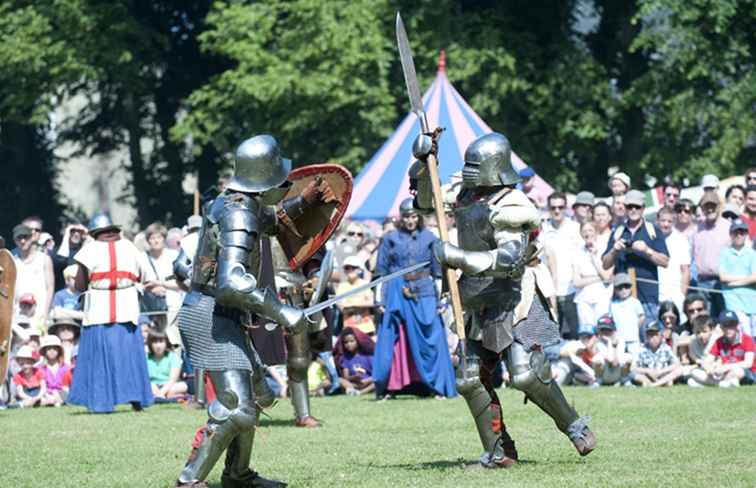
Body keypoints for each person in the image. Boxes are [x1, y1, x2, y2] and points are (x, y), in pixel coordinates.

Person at [413, 132, 594, 467]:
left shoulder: (512, 205)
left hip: (514, 296)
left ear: (492, 167)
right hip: (475, 297)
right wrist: (423, 164)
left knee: (525, 375)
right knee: (468, 379)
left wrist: (458, 256)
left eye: (474, 166)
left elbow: (511, 260)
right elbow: (427, 203)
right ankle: (499, 451)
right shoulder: (465, 193)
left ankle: (573, 424)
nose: (467, 171)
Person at [174, 134, 334, 488]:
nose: (285, 184)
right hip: (210, 315)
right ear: (265, 179)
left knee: (259, 396)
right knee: (237, 407)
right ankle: (189, 479)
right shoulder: (237, 211)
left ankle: (238, 475)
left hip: (222, 315)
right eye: (281, 180)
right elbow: (231, 280)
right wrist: (283, 312)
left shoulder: (232, 203)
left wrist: (303, 202)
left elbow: (270, 220)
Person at [67, 213, 154, 414]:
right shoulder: (131, 247)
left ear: (95, 232)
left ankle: (101, 401)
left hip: (98, 307)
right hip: (127, 305)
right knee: (129, 355)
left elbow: (80, 285)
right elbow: (144, 276)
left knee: (100, 356)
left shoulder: (88, 250)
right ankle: (136, 398)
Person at [373, 198, 456, 400]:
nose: (410, 221)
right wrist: (379, 300)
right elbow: (381, 272)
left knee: (432, 338)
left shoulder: (430, 238)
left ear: (418, 216)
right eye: (406, 217)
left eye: (413, 216)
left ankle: (437, 386)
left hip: (425, 290)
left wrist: (442, 299)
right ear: (400, 218)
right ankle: (392, 387)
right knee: (397, 339)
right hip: (396, 292)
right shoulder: (390, 238)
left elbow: (438, 272)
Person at [602, 189, 670, 319]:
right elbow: (605, 264)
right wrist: (614, 250)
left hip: (647, 296)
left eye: (637, 207)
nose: (633, 210)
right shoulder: (617, 231)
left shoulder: (653, 230)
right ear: (625, 208)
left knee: (649, 336)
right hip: (621, 297)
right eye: (629, 206)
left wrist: (647, 250)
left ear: (643, 208)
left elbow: (665, 262)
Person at [540, 192, 581, 339]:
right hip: (550, 291)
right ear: (548, 208)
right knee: (553, 336)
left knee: (577, 334)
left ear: (566, 208)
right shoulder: (542, 230)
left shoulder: (576, 228)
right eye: (553, 207)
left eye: (560, 207)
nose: (557, 211)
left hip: (573, 290)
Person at [691, 190, 731, 317]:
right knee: (706, 321)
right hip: (702, 283)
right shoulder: (696, 230)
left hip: (723, 282)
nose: (709, 209)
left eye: (712, 206)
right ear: (702, 208)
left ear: (719, 207)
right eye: (706, 206)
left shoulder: (728, 228)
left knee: (725, 319)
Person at [690, 311, 755, 387]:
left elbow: (748, 363)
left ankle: (709, 383)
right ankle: (724, 383)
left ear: (737, 325)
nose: (728, 328)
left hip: (745, 372)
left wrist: (726, 367)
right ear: (720, 327)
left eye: (731, 324)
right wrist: (709, 368)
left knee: (738, 371)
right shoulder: (719, 341)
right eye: (725, 325)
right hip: (723, 373)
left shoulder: (747, 339)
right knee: (694, 372)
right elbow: (707, 361)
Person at [143, 222, 182, 342]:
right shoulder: (141, 258)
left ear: (164, 239)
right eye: (152, 238)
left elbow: (184, 284)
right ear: (148, 240)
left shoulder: (174, 256)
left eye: (159, 237)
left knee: (173, 342)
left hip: (172, 307)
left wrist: (161, 284)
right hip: (150, 310)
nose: (156, 241)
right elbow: (135, 284)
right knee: (152, 343)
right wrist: (149, 288)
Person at [13, 223, 55, 331]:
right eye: (19, 238)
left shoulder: (44, 259)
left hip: (40, 314)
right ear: (15, 240)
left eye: (25, 237)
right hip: (18, 314)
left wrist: (45, 313)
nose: (22, 241)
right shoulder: (12, 261)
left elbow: (50, 288)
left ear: (31, 238)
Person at [718, 218, 756, 337]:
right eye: (736, 232)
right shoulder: (724, 253)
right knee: (744, 335)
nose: (739, 235)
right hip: (734, 302)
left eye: (742, 232)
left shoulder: (752, 254)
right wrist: (746, 278)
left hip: (752, 302)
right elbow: (723, 277)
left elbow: (754, 277)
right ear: (731, 234)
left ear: (746, 234)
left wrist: (735, 283)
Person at [573, 221, 613, 328]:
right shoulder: (577, 252)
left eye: (590, 230)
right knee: (587, 331)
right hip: (583, 298)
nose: (587, 233)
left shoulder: (605, 248)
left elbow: (607, 277)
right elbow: (576, 282)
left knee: (603, 328)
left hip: (602, 296)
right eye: (584, 231)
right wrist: (598, 278)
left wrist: (594, 258)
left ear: (596, 232)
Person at [656, 206, 691, 313]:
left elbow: (685, 270)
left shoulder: (681, 240)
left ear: (674, 222)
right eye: (663, 221)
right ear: (657, 220)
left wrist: (682, 295)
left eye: (669, 221)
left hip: (675, 295)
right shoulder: (651, 237)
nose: (666, 224)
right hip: (656, 295)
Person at [630, 320, 682, 387]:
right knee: (632, 374)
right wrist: (647, 371)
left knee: (679, 370)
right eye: (650, 335)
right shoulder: (641, 349)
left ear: (661, 336)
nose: (653, 338)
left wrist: (661, 372)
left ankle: (654, 385)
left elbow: (676, 364)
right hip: (647, 376)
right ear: (646, 336)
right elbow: (633, 367)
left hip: (662, 375)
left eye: (655, 335)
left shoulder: (666, 348)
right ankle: (655, 383)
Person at [335, 255, 375, 336]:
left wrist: (351, 304)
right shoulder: (342, 287)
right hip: (350, 331)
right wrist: (362, 302)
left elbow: (372, 302)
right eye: (347, 268)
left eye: (353, 267)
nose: (350, 270)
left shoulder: (365, 284)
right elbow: (342, 308)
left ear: (359, 269)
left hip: (367, 329)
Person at [609, 273, 645, 357]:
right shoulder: (613, 305)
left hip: (633, 339)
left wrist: (635, 326)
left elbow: (642, 316)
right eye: (620, 288)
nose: (623, 290)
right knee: (620, 360)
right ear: (615, 290)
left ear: (630, 288)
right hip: (619, 339)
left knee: (635, 360)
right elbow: (611, 321)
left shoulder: (635, 302)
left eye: (626, 286)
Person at [146, 330, 187, 401]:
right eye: (155, 342)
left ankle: (162, 397)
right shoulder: (146, 358)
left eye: (161, 342)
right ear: (150, 344)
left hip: (170, 386)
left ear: (166, 343)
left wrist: (161, 393)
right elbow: (145, 379)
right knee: (149, 385)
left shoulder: (173, 357)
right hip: (153, 386)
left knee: (181, 386)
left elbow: (172, 380)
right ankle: (169, 397)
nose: (158, 346)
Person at [593, 314, 631, 386]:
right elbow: (610, 360)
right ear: (599, 331)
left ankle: (625, 381)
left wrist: (614, 347)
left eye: (608, 330)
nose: (606, 332)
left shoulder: (621, 341)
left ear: (614, 330)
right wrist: (610, 342)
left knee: (628, 358)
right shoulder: (598, 343)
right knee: (597, 360)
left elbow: (615, 363)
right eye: (603, 330)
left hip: (617, 372)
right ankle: (598, 382)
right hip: (603, 375)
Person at [336, 328, 375, 396]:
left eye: (352, 341)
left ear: (358, 341)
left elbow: (376, 375)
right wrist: (354, 377)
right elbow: (346, 377)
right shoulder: (346, 359)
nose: (349, 344)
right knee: (339, 380)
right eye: (346, 342)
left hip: (368, 383)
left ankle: (360, 393)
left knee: (377, 382)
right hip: (355, 384)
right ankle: (352, 390)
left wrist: (364, 381)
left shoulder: (368, 356)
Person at [38, 335, 70, 407]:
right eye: (49, 349)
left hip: (62, 393)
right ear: (44, 351)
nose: (52, 351)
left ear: (59, 350)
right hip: (45, 394)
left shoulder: (66, 367)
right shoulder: (39, 368)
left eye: (54, 348)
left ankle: (55, 402)